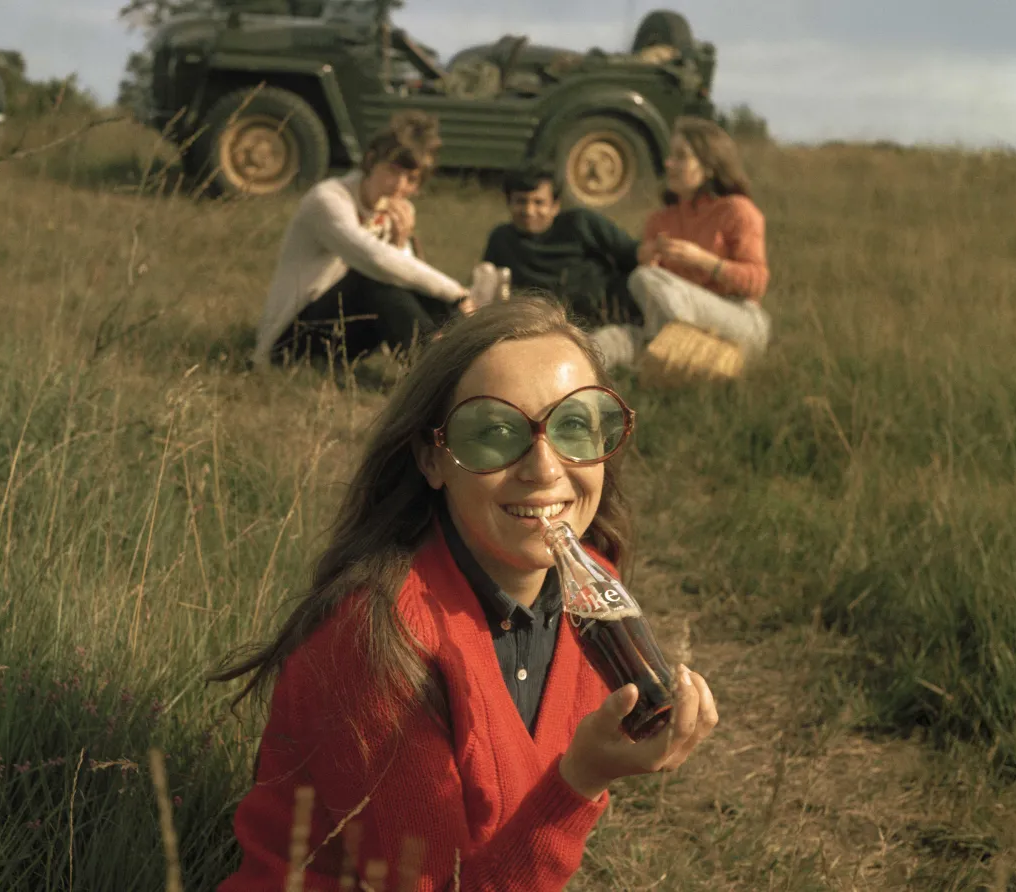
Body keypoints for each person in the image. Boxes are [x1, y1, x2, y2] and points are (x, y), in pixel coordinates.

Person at [213, 295, 720, 891]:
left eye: (575, 425)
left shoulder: (591, 591)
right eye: (494, 432)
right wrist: (580, 781)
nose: (544, 467)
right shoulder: (377, 640)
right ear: (434, 457)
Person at [253, 111, 474, 368]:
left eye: (411, 179)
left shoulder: (397, 209)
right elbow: (372, 258)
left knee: (422, 289)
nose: (400, 186)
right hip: (292, 336)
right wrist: (456, 293)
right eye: (393, 171)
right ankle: (430, 368)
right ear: (371, 161)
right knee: (374, 276)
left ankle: (462, 360)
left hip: (349, 332)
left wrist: (400, 242)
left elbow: (405, 279)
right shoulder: (328, 199)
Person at [590, 116, 771, 372]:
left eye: (680, 156)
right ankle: (571, 380)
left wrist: (701, 260)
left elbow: (757, 283)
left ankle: (668, 356)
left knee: (646, 279)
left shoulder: (738, 210)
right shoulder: (660, 220)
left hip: (738, 319)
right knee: (606, 339)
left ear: (709, 167)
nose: (669, 163)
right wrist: (648, 259)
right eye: (670, 156)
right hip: (671, 322)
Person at [477, 166, 644, 328]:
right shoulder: (502, 239)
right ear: (509, 203)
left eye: (539, 202)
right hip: (541, 324)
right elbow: (488, 289)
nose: (529, 210)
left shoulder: (581, 224)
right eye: (521, 201)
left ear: (555, 206)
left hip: (605, 318)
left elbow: (633, 254)